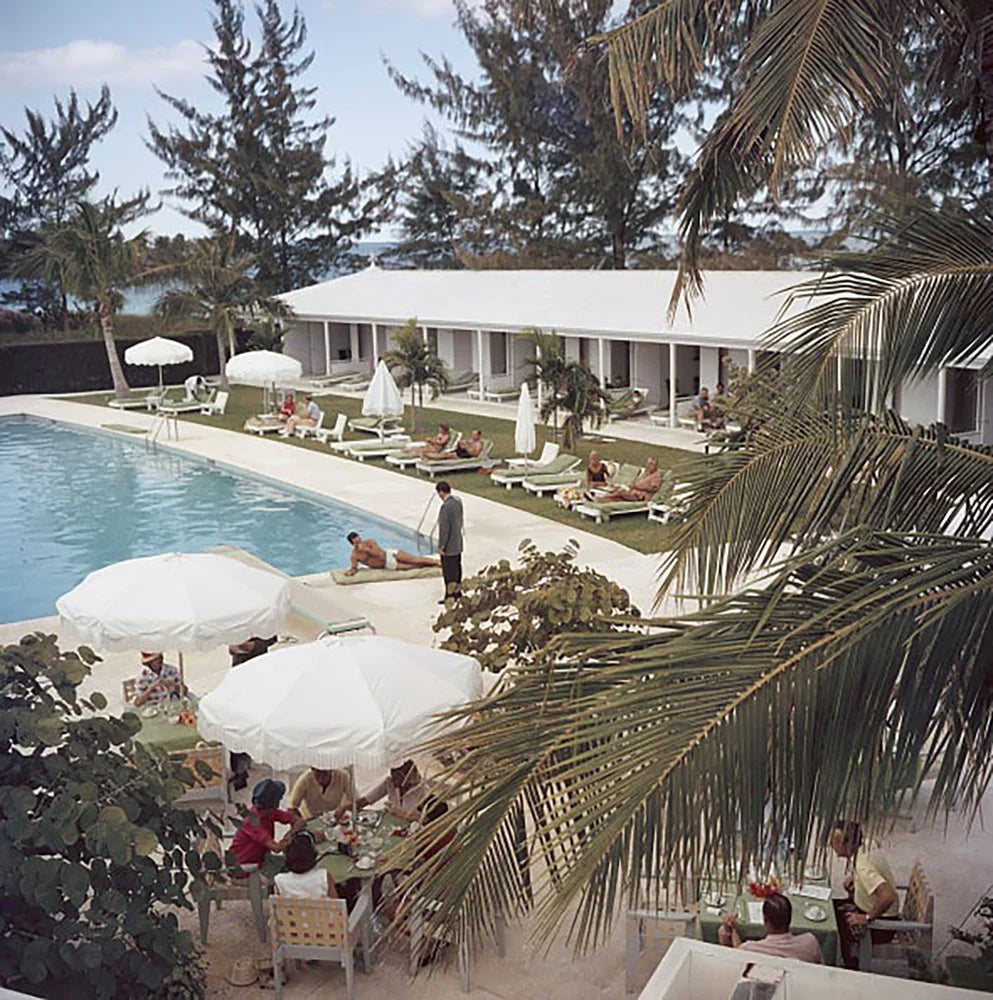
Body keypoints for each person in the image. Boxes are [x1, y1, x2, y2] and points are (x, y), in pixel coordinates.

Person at [830, 819, 900, 968]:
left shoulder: (863, 866)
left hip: (882, 925)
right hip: (867, 906)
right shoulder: (867, 844)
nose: (831, 844)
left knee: (834, 926)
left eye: (836, 841)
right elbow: (875, 867)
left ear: (849, 845)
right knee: (831, 909)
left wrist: (867, 918)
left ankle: (851, 967)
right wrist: (856, 880)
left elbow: (888, 896)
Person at [226, 637, 276, 789]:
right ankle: (240, 769)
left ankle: (245, 763)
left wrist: (243, 646)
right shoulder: (237, 623)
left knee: (253, 722)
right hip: (239, 679)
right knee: (236, 724)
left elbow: (258, 644)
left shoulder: (261, 623)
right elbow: (232, 648)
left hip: (257, 679)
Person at [718, 892, 823, 964]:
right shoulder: (810, 943)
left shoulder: (749, 949)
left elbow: (738, 952)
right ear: (790, 918)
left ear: (765, 920)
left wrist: (732, 929)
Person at [230, 779, 309, 868]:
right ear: (276, 803)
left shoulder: (270, 811)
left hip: (260, 858)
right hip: (242, 865)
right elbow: (276, 848)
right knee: (295, 866)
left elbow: (298, 820)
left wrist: (290, 833)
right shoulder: (252, 822)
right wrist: (290, 836)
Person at [345, 759, 427, 822]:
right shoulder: (390, 782)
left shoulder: (422, 790)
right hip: (391, 824)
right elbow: (366, 800)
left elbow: (425, 819)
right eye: (392, 775)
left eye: (397, 777)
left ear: (406, 777)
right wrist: (344, 808)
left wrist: (402, 814)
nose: (393, 780)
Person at [274, 831, 340, 900]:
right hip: (320, 910)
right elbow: (336, 904)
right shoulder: (323, 876)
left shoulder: (279, 881)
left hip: (291, 910)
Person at [343, 531, 441, 575]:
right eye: (355, 540)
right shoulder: (354, 555)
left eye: (358, 538)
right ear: (352, 543)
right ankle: (431, 565)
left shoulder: (370, 542)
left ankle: (437, 562)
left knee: (414, 559)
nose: (358, 540)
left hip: (390, 555)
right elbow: (354, 567)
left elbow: (380, 553)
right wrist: (351, 572)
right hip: (387, 565)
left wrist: (366, 550)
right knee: (413, 566)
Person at [288, 766, 353, 820]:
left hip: (335, 818)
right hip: (311, 818)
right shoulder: (305, 779)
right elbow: (291, 808)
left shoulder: (343, 776)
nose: (321, 779)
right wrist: (300, 822)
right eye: (317, 775)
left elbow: (359, 800)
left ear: (331, 770)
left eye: (325, 774)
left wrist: (344, 808)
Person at [435, 481, 464, 602]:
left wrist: (442, 545)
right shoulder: (457, 502)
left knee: (448, 572)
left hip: (449, 546)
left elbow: (444, 528)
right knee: (457, 569)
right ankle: (458, 592)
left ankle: (449, 595)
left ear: (441, 492)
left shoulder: (445, 507)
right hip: (457, 542)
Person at [594, 458, 662, 502]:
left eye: (651, 464)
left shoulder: (656, 476)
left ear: (656, 466)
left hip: (640, 496)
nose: (649, 466)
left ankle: (597, 499)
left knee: (620, 493)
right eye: (648, 464)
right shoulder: (646, 473)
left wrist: (638, 487)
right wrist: (627, 486)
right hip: (633, 491)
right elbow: (636, 483)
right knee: (616, 496)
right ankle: (598, 501)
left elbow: (653, 489)